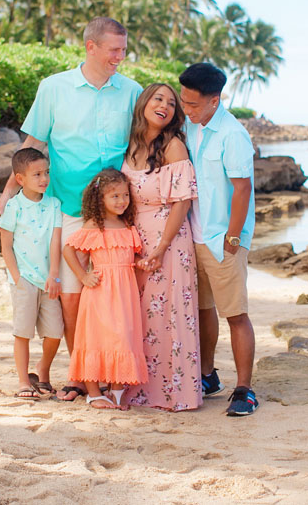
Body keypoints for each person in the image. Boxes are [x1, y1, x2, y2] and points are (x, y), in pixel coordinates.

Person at [0, 17, 142, 402]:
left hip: (115, 213)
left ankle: (111, 372)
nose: (120, 57)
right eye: (113, 50)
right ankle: (80, 375)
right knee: (73, 298)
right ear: (91, 47)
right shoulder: (54, 87)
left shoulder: (132, 91)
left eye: (123, 50)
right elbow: (34, 143)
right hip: (70, 209)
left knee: (113, 297)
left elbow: (142, 146)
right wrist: (8, 192)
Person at [178, 63, 259, 417]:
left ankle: (245, 390)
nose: (186, 109)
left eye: (193, 104)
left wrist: (234, 238)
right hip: (193, 237)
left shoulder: (232, 134)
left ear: (215, 100)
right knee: (203, 309)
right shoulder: (190, 126)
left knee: (236, 314)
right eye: (184, 101)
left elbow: (242, 188)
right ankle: (208, 376)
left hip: (223, 239)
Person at [121, 84, 202, 411]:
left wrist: (161, 246)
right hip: (136, 241)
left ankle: (173, 393)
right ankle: (138, 388)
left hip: (169, 242)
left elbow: (183, 202)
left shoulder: (173, 145)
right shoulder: (130, 145)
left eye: (171, 103)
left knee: (168, 315)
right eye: (158, 99)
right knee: (142, 316)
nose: (165, 106)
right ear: (144, 103)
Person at [63, 168, 148, 409]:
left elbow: (131, 255)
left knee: (121, 338)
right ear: (100, 198)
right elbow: (68, 250)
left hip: (124, 293)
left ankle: (117, 390)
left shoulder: (127, 225)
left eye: (125, 195)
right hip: (100, 292)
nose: (122, 201)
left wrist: (141, 262)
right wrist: (83, 275)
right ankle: (93, 393)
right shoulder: (94, 225)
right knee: (96, 339)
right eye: (115, 196)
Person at [0, 148, 64, 399]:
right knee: (23, 333)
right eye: (37, 174)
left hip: (48, 280)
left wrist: (54, 275)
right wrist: (17, 278)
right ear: (20, 179)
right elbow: (6, 247)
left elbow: (55, 241)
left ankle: (43, 369)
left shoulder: (54, 205)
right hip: (24, 280)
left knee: (55, 332)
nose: (44, 178)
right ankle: (24, 382)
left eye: (46, 172)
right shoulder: (14, 207)